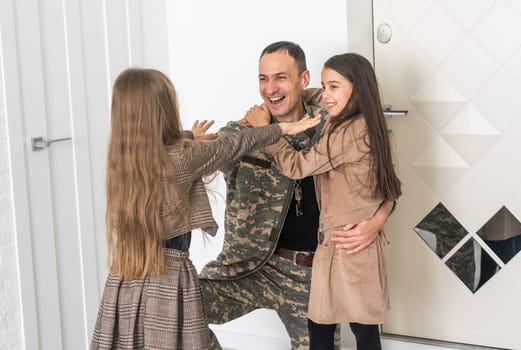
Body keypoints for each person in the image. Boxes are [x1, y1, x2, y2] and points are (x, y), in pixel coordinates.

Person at [89, 67, 320, 350]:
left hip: (128, 277)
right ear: (162, 110)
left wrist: (189, 137)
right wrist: (280, 129)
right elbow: (231, 145)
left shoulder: (124, 159)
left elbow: (167, 149)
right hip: (168, 274)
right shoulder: (183, 159)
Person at [199, 41, 394, 350]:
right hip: (248, 268)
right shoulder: (244, 131)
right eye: (263, 78)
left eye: (280, 77)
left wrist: (377, 221)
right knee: (176, 310)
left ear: (304, 80)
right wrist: (191, 142)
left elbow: (384, 178)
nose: (270, 88)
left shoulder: (336, 124)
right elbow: (195, 160)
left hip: (308, 275)